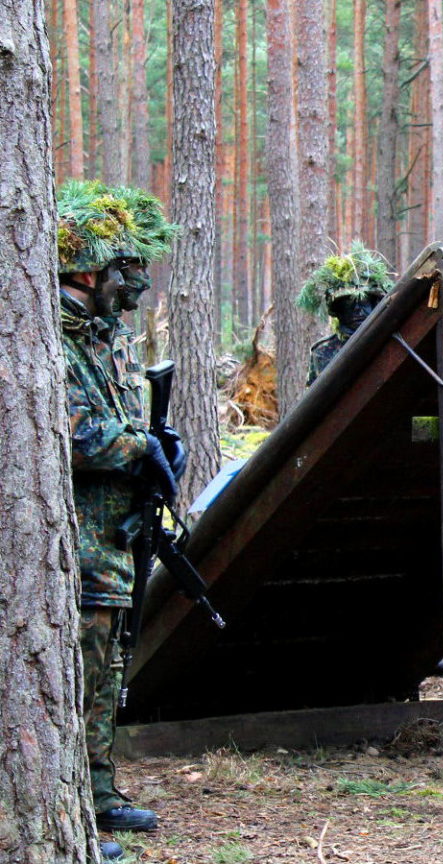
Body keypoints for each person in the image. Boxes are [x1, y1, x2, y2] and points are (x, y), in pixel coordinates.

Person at [56, 180, 183, 836]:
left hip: (113, 537)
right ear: (87, 268)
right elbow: (70, 431)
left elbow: (126, 415)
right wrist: (140, 448)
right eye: (125, 267)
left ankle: (98, 793)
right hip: (69, 540)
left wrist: (163, 446)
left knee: (106, 667)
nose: (136, 282)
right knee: (73, 673)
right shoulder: (46, 331)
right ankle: (66, 806)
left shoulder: (111, 339)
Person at [296, 241, 394, 384]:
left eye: (363, 301)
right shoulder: (322, 352)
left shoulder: (390, 343)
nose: (358, 310)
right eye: (349, 303)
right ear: (338, 310)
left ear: (374, 304)